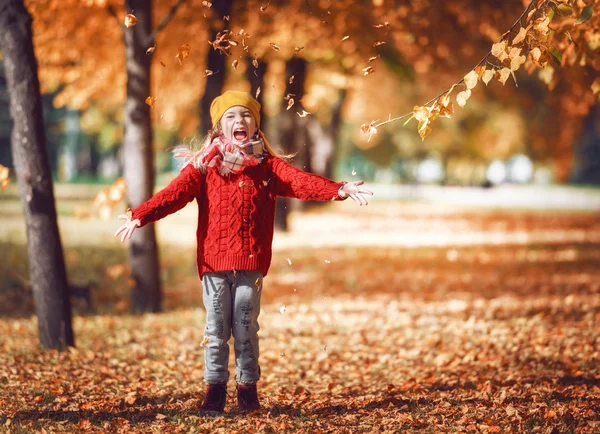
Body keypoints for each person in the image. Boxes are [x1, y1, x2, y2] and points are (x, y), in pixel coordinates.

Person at [115, 90, 373, 413]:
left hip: (250, 262)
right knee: (217, 328)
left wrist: (339, 189)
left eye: (246, 115)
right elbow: (172, 195)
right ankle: (215, 390)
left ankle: (248, 389)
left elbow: (302, 182)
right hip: (213, 263)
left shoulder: (267, 167)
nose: (240, 121)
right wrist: (139, 215)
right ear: (219, 128)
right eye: (232, 116)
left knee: (246, 325)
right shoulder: (203, 167)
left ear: (255, 125)